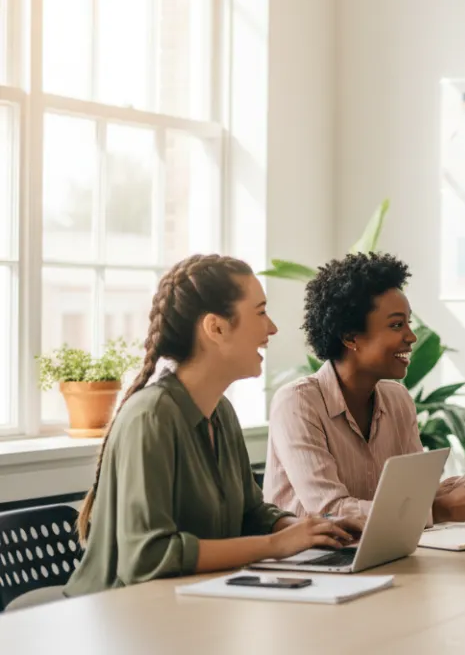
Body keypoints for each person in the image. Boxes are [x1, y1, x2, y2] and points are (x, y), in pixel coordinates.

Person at [65, 255, 360, 598]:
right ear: (216, 328)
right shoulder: (151, 417)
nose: (272, 328)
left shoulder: (220, 411)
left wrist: (313, 530)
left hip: (195, 604)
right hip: (120, 615)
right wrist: (275, 544)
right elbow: (147, 557)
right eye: (261, 312)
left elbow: (251, 512)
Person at [265, 252, 465, 523]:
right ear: (351, 337)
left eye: (408, 323)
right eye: (396, 325)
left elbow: (416, 496)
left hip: (376, 557)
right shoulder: (298, 403)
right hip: (307, 565)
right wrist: (438, 512)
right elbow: (329, 510)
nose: (411, 336)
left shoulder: (396, 399)